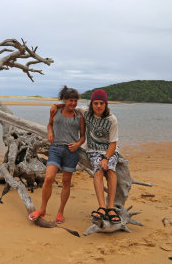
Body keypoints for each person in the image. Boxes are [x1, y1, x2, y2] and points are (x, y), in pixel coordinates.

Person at [50, 89, 121, 223]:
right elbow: (69, 105)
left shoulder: (112, 119)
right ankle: (101, 207)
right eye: (96, 103)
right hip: (93, 150)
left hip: (109, 150)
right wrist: (56, 106)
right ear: (91, 104)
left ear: (106, 104)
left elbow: (113, 143)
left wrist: (106, 158)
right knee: (98, 171)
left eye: (101, 103)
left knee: (111, 170)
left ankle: (110, 207)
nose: (98, 106)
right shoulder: (86, 112)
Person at [28, 86, 85, 224]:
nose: (73, 103)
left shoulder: (79, 116)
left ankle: (60, 212)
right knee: (49, 178)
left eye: (75, 100)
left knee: (66, 182)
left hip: (71, 152)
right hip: (55, 149)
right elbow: (49, 125)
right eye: (70, 100)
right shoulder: (55, 111)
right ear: (64, 100)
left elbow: (82, 137)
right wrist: (50, 132)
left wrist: (77, 145)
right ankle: (42, 209)